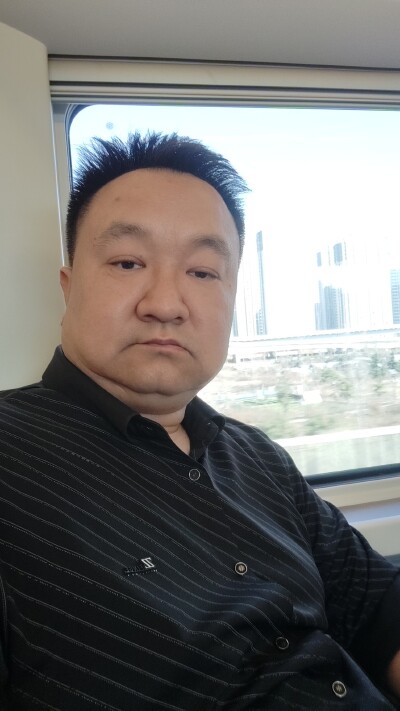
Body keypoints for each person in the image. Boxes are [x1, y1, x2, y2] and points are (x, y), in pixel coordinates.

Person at [0, 131, 399, 711]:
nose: (166, 304)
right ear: (69, 287)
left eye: (204, 272)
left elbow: (378, 605)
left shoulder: (258, 457)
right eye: (128, 262)